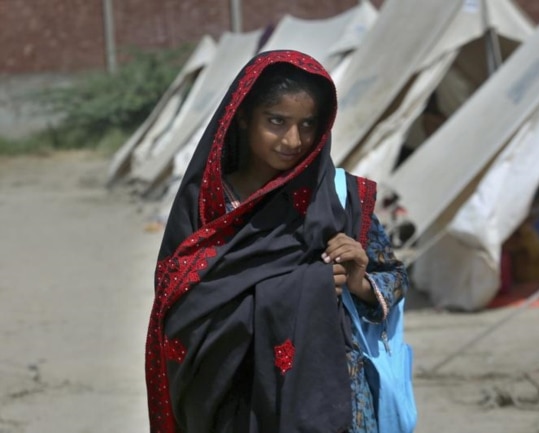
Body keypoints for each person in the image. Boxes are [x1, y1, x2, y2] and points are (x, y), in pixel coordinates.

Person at [145, 50, 409, 433]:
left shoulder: (341, 197)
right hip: (232, 400)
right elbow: (182, 308)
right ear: (243, 118)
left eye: (307, 125)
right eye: (276, 121)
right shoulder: (210, 205)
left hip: (334, 396)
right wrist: (302, 288)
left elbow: (395, 277)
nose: (293, 139)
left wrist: (360, 283)